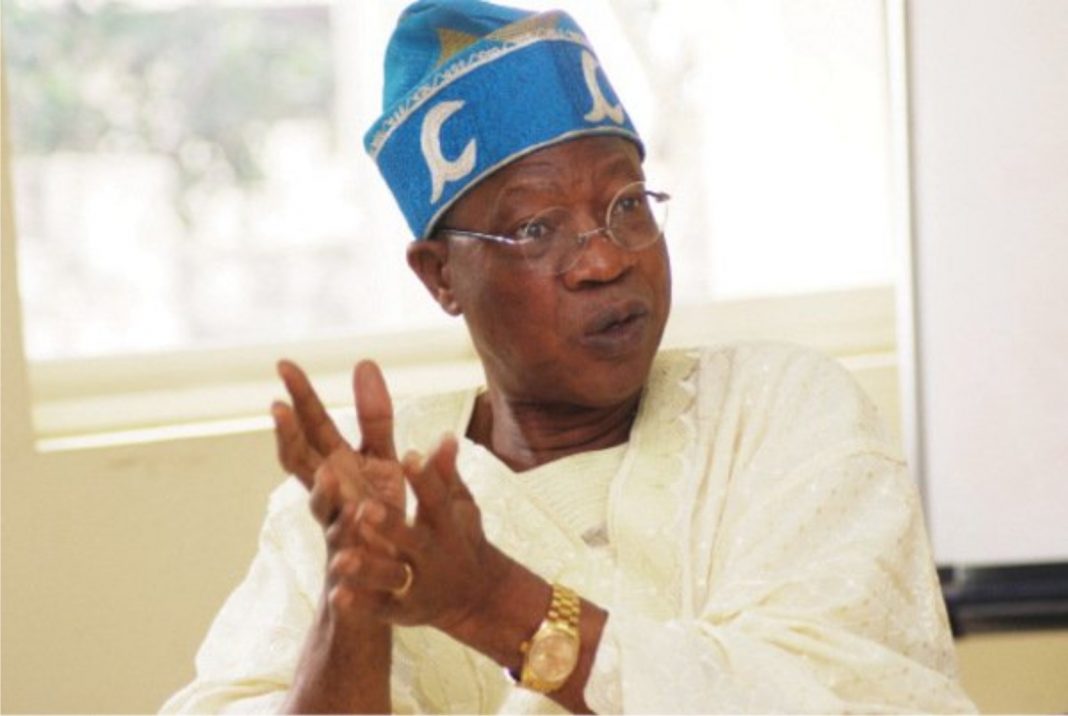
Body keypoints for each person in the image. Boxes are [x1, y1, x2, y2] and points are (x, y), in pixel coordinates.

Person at [163, 1, 975, 713]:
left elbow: (853, 696)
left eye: (628, 204)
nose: (606, 259)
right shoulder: (367, 502)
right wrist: (354, 605)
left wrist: (492, 601)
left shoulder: (780, 413)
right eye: (535, 229)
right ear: (441, 277)